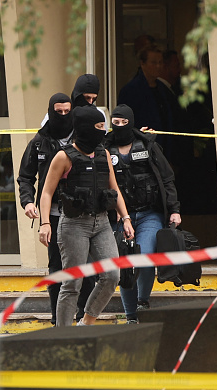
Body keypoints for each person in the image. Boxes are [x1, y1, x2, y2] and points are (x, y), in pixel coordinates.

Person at [39, 105, 135, 326]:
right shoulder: (64, 157)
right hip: (73, 225)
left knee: (111, 276)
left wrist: (126, 217)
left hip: (101, 223)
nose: (103, 131)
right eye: (99, 126)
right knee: (72, 282)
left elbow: (115, 189)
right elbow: (46, 192)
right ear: (84, 127)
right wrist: (45, 223)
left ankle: (86, 322)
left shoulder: (104, 154)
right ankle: (63, 334)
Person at [17, 93, 94, 325]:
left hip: (82, 214)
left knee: (86, 266)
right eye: (58, 112)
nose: (62, 116)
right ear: (51, 111)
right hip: (52, 215)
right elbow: (25, 177)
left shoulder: (83, 136)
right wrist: (28, 202)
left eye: (66, 112)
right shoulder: (40, 141)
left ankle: (83, 315)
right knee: (56, 268)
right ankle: (57, 320)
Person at [104, 104, 181, 324]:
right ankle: (131, 316)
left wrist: (174, 210)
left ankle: (142, 301)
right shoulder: (104, 148)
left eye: (123, 122)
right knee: (126, 264)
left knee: (144, 258)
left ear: (131, 122)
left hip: (149, 214)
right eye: (115, 123)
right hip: (119, 217)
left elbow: (166, 179)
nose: (119, 127)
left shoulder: (147, 145)